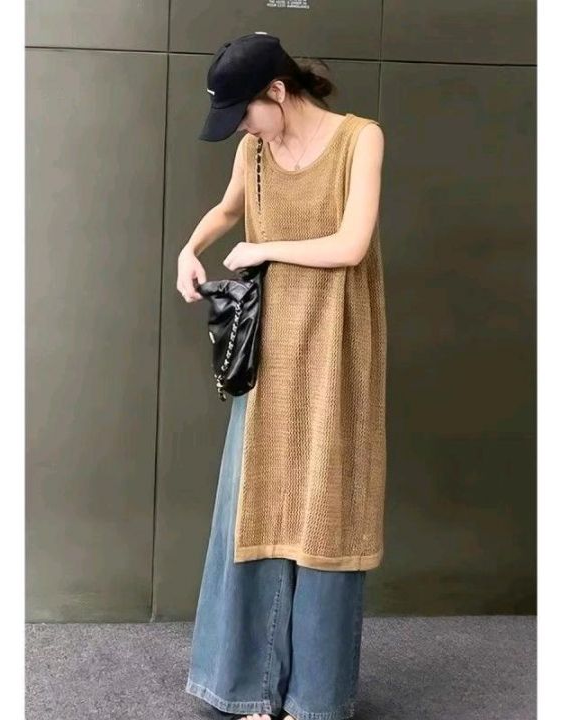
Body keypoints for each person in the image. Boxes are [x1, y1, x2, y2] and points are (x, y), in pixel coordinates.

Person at [177, 31, 387, 720]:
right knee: (256, 505)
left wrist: (264, 248)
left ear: (276, 90)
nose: (242, 127)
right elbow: (229, 209)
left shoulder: (360, 140)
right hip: (269, 350)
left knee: (326, 508)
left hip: (337, 344)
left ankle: (313, 699)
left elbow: (352, 244)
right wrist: (190, 247)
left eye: (244, 112)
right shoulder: (255, 151)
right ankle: (249, 688)